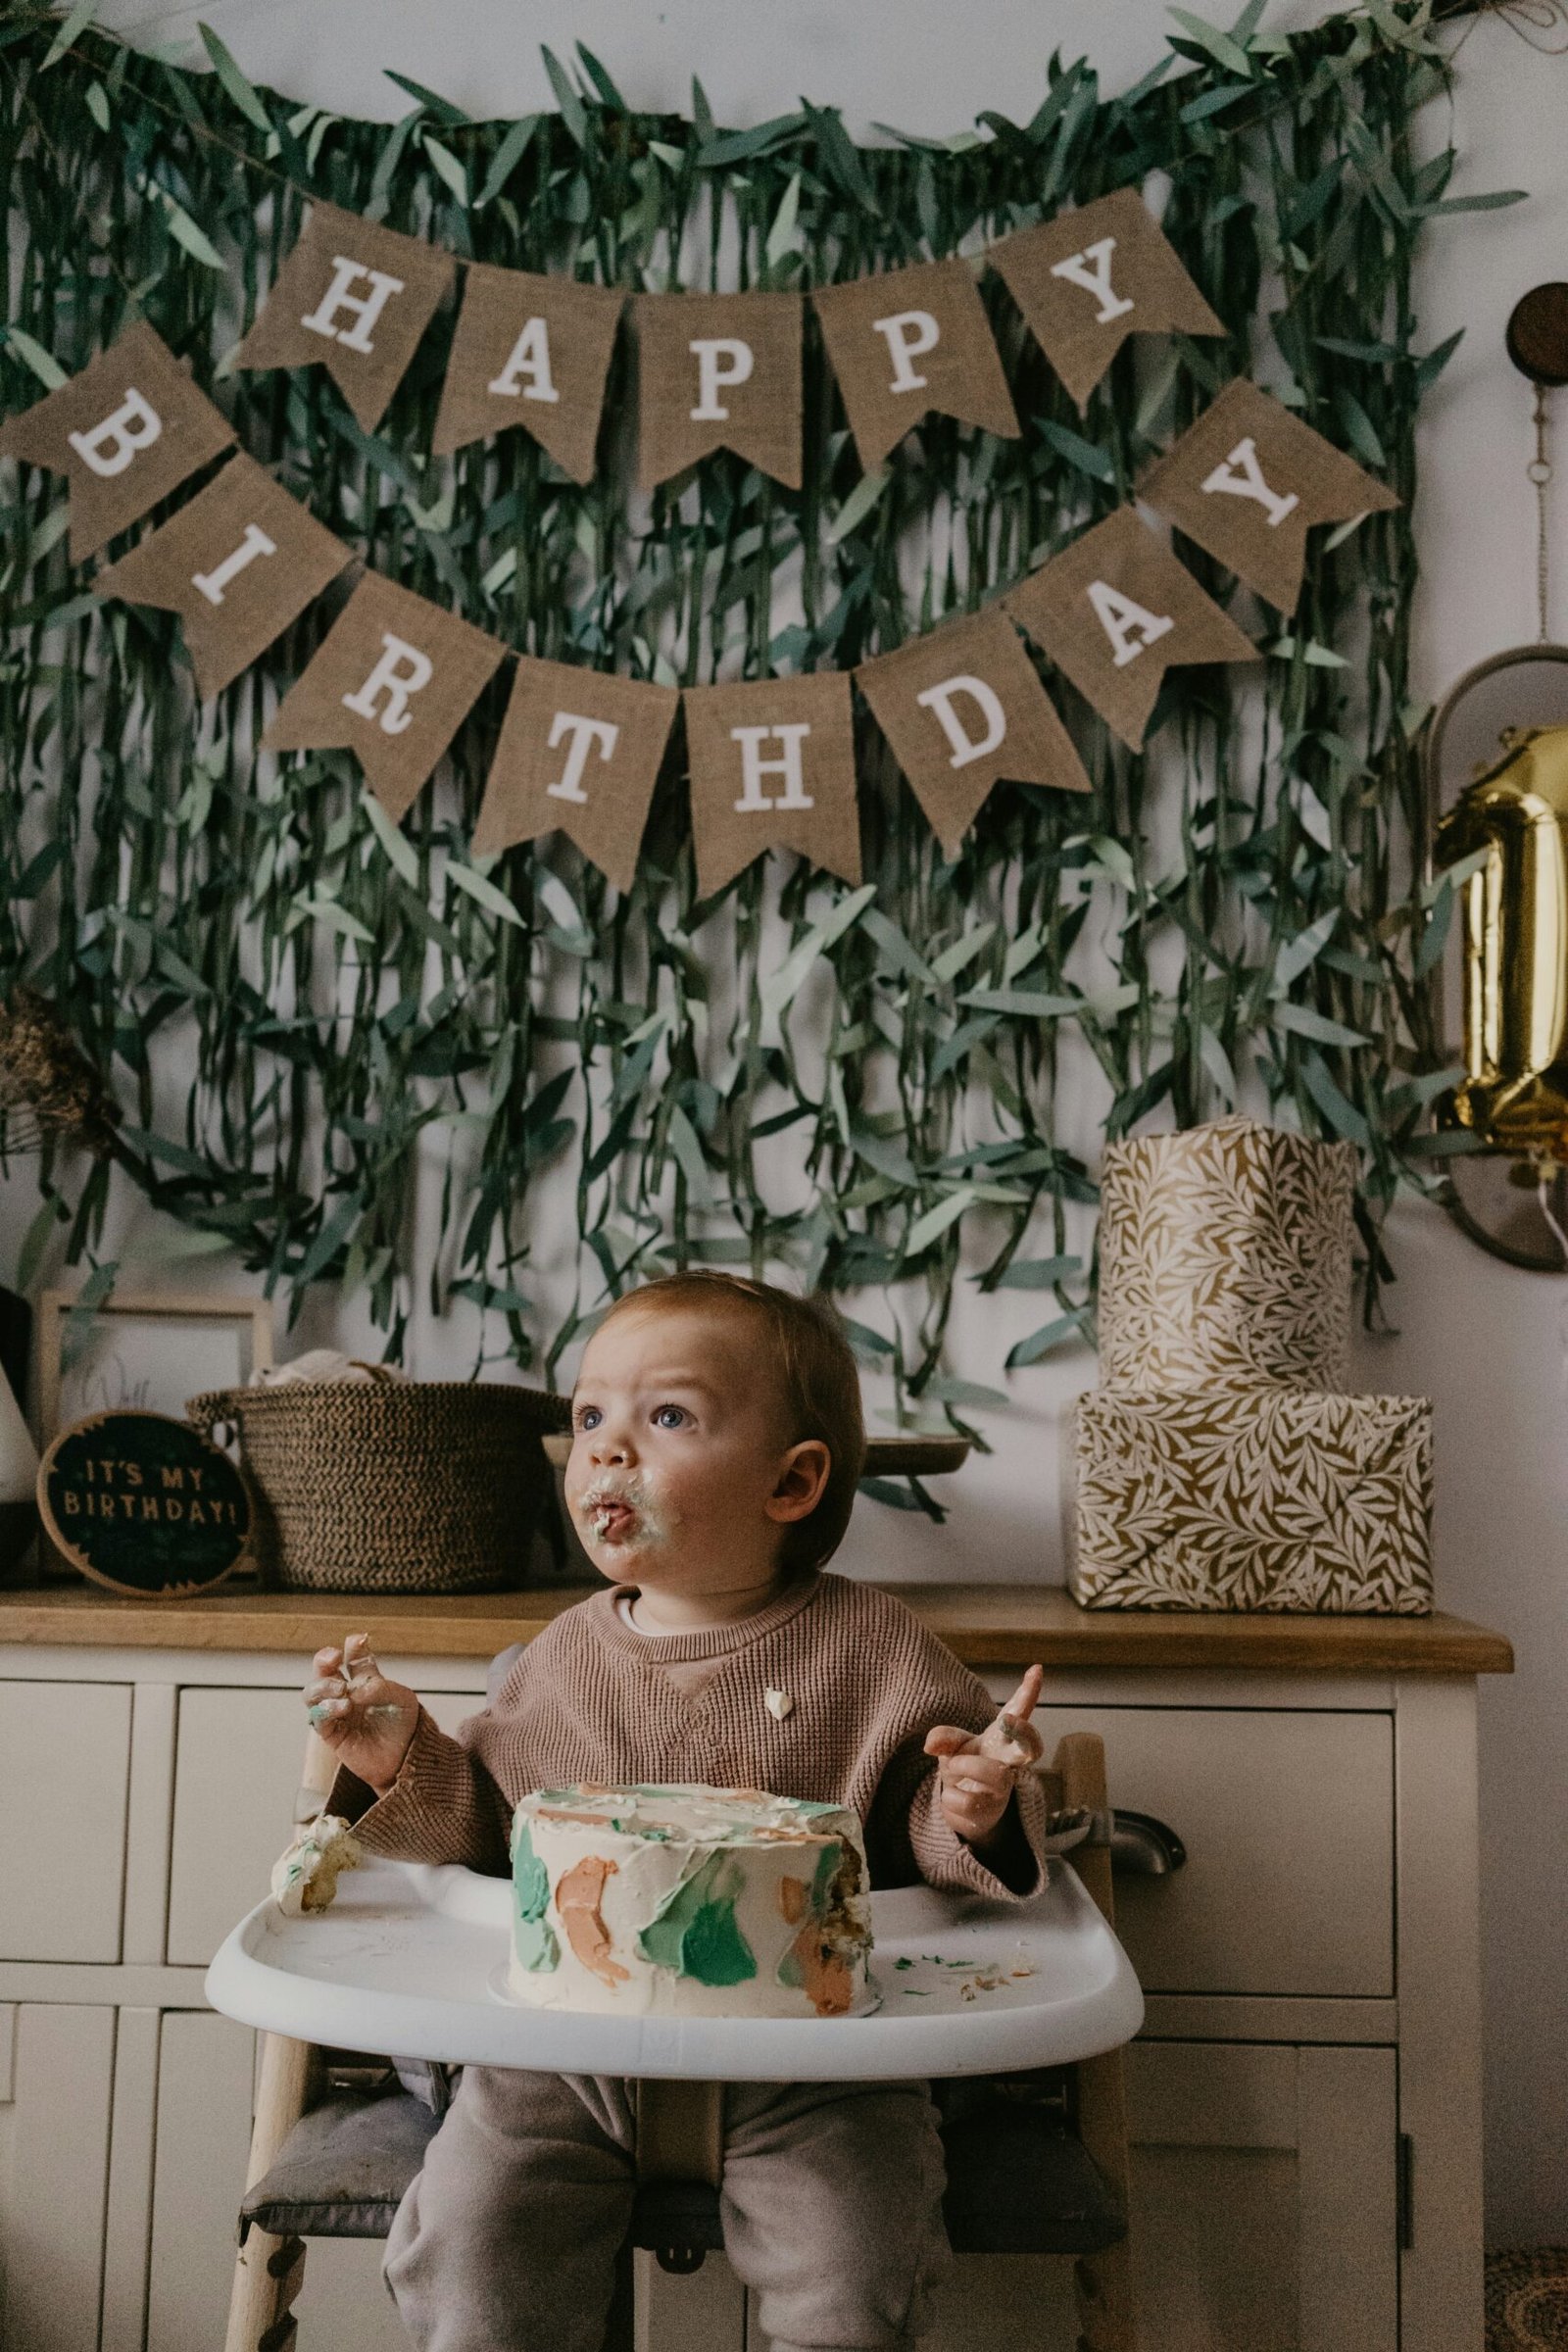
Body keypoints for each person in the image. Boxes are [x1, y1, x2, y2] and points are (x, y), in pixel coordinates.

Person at [305, 1271, 1049, 2352]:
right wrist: (395, 1761)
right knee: (472, 2247)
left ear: (790, 1485)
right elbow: (485, 1831)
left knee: (857, 2263)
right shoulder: (558, 1659)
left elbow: (917, 1832)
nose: (608, 1447)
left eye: (667, 1417)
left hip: (813, 2059)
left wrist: (972, 1806)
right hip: (563, 2059)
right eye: (590, 1415)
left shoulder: (878, 1652)